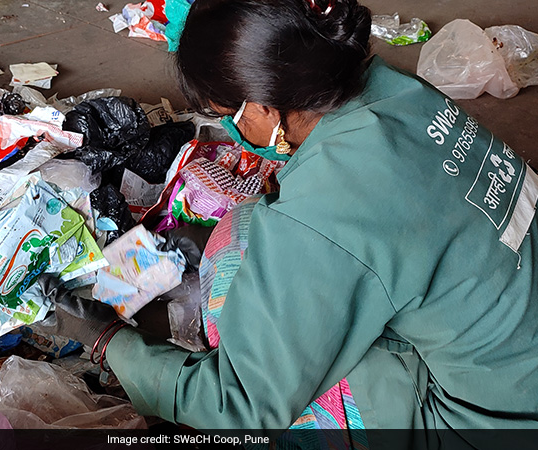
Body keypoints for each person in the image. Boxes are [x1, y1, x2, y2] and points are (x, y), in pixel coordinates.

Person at [38, 0, 538, 444]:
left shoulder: (325, 209)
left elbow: (242, 409)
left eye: (228, 115)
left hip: (491, 423)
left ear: (263, 107)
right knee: (247, 228)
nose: (233, 131)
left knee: (237, 287)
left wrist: (109, 342)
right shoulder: (402, 92)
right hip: (511, 339)